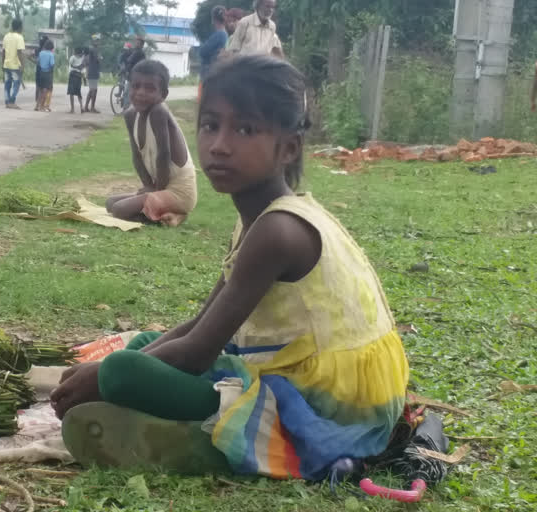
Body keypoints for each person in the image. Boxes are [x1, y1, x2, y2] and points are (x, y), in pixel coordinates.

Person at [53, 56, 409, 482]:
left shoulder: (278, 230)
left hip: (331, 406)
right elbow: (200, 323)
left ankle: (208, 441)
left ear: (289, 147)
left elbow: (198, 351)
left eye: (245, 129)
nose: (219, 144)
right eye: (210, 125)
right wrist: (111, 368)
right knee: (144, 344)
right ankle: (166, 413)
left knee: (120, 371)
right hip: (290, 370)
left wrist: (102, 376)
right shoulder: (256, 218)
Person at [104, 60, 198, 227]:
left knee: (119, 210)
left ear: (164, 94)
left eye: (150, 88)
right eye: (135, 86)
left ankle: (175, 215)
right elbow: (136, 156)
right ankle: (169, 214)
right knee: (110, 203)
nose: (140, 93)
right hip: (159, 187)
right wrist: (147, 185)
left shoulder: (159, 111)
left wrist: (156, 190)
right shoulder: (130, 115)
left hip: (179, 192)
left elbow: (163, 155)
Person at [198, 6, 228, 101]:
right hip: (217, 72)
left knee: (204, 100)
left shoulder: (219, 34)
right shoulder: (225, 34)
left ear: (213, 19)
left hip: (209, 72)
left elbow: (202, 52)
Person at [1, 18, 26, 110]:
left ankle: (7, 102)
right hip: (15, 66)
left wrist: (2, 64)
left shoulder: (6, 36)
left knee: (7, 84)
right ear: (20, 27)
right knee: (16, 84)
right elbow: (20, 53)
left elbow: (3, 52)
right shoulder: (19, 37)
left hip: (6, 64)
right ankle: (12, 101)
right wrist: (23, 65)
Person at [84, 35, 102, 114]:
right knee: (94, 90)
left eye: (98, 40)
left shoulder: (92, 49)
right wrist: (100, 58)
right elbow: (97, 59)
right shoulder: (93, 49)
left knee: (92, 90)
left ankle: (86, 107)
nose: (98, 42)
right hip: (93, 72)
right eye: (96, 40)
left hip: (93, 72)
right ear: (93, 41)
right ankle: (92, 108)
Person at [36, 40, 55, 112]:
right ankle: (42, 106)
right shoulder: (51, 54)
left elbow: (38, 62)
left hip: (41, 72)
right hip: (48, 73)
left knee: (40, 90)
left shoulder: (41, 53)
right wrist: (51, 71)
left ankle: (37, 105)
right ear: (52, 47)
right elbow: (52, 64)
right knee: (46, 91)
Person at [68, 47, 85, 114]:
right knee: (78, 92)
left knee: (71, 93)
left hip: (72, 75)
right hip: (79, 76)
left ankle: (72, 109)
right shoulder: (82, 58)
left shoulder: (72, 57)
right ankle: (81, 107)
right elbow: (83, 69)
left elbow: (70, 65)